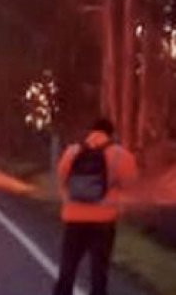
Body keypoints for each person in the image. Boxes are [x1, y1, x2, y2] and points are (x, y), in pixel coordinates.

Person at [52, 118, 138, 295]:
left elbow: (61, 177)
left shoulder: (72, 151)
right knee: (99, 271)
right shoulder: (119, 154)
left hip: (74, 218)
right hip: (103, 220)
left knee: (68, 267)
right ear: (111, 133)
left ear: (91, 131)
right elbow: (131, 182)